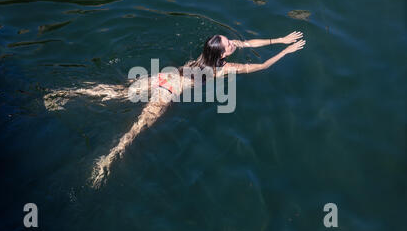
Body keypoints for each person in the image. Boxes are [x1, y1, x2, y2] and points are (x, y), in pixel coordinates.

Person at [44, 31, 305, 187]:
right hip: (166, 92)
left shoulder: (209, 53)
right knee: (136, 130)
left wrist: (279, 38)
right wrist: (287, 51)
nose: (234, 43)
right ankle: (108, 159)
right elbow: (260, 67)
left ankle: (66, 94)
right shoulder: (224, 69)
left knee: (117, 93)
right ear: (223, 54)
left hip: (162, 77)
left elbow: (248, 43)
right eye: (229, 44)